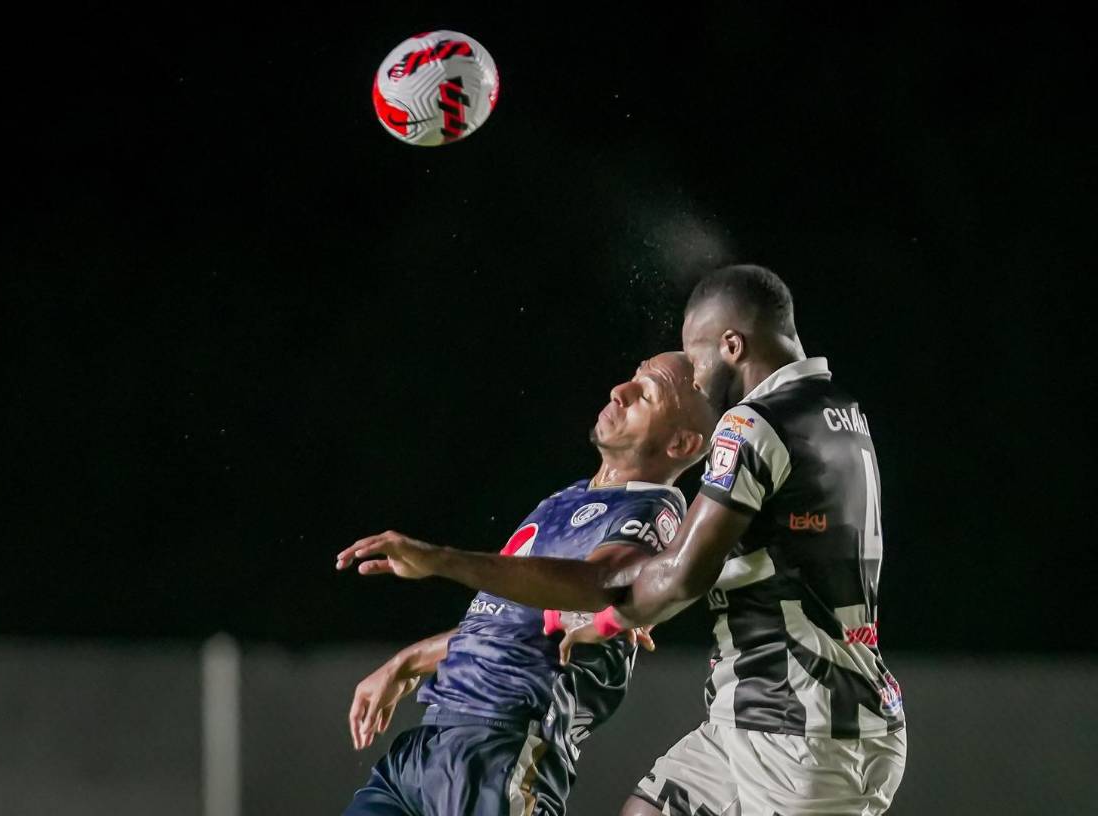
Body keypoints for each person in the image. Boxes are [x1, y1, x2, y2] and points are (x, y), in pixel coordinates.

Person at [341, 265, 907, 815]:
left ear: (732, 345)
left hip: (799, 726)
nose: (698, 376)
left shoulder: (750, 425)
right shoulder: (841, 412)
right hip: (759, 713)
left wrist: (611, 614)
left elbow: (672, 574)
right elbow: (720, 565)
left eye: (696, 359)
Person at [337, 352, 718, 815]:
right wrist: (407, 662)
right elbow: (510, 621)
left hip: (500, 748)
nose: (620, 391)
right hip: (427, 744)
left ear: (680, 443)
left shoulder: (654, 511)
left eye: (646, 394)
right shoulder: (567, 498)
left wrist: (438, 560)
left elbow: (596, 583)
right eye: (632, 379)